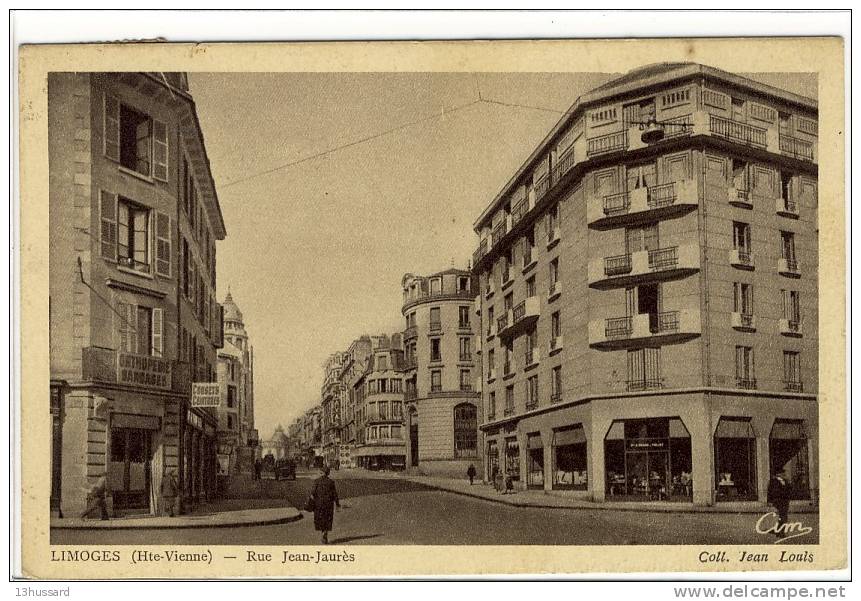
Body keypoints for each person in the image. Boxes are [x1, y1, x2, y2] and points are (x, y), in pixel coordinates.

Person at [309, 466, 340, 544]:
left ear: (321, 473)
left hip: (319, 504)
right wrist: (337, 504)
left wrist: (311, 502)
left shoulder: (316, 481)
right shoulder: (331, 482)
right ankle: (325, 534)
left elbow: (312, 494)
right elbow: (334, 494)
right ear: (328, 473)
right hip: (329, 504)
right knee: (327, 519)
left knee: (320, 519)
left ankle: (323, 533)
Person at [767, 468, 792, 536]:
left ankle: (777, 530)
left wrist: (789, 483)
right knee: (783, 516)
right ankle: (781, 533)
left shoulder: (785, 481)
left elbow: (790, 490)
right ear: (778, 474)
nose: (784, 474)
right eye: (782, 473)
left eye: (784, 473)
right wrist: (769, 501)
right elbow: (769, 491)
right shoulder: (773, 481)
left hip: (785, 501)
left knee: (783, 516)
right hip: (778, 500)